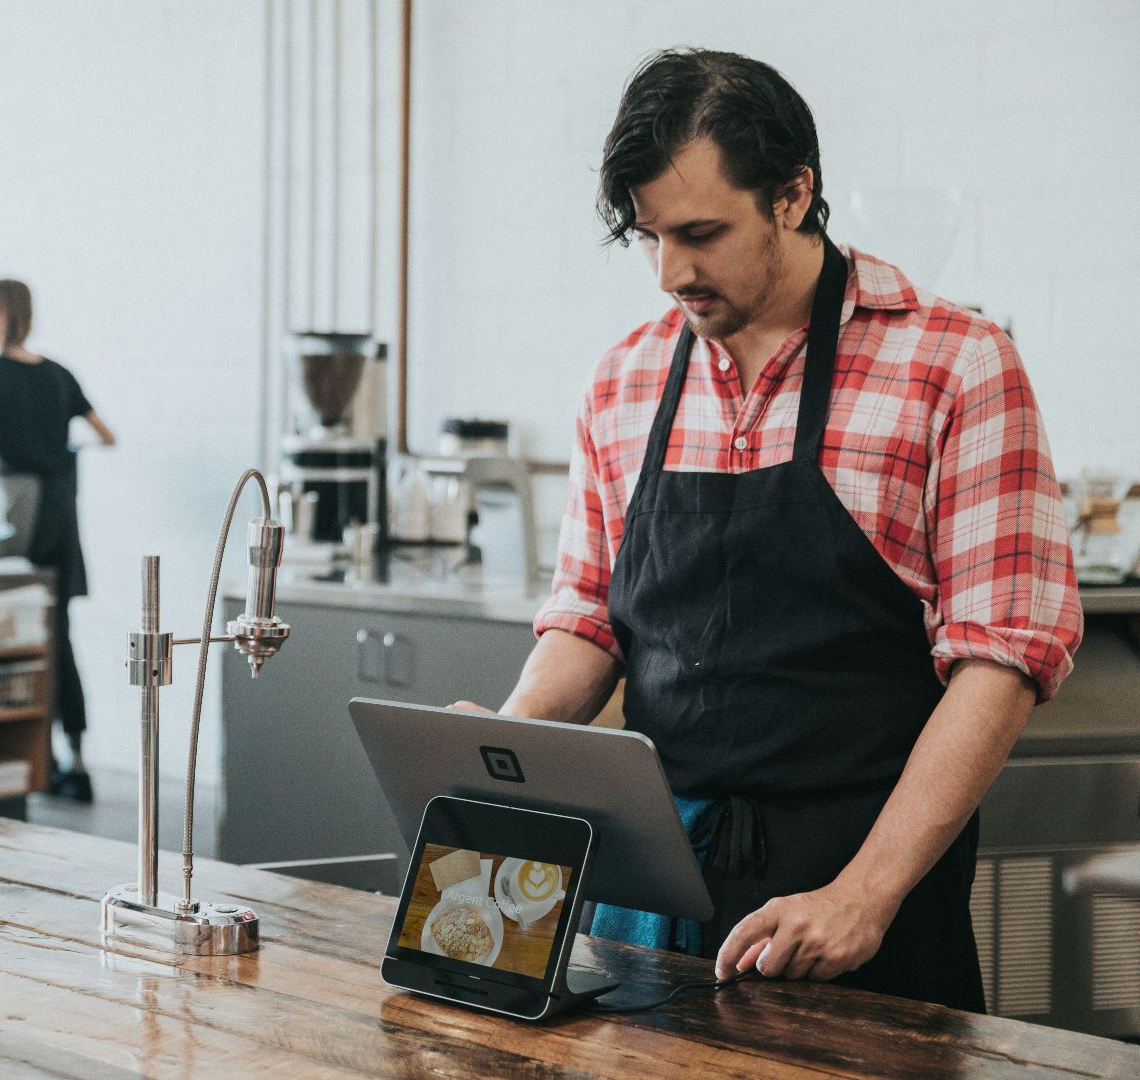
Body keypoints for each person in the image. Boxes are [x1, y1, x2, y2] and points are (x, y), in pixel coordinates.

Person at [457, 49, 1081, 1010]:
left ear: (794, 194)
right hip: (651, 902)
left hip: (860, 902)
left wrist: (862, 896)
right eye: (649, 236)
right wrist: (506, 747)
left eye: (701, 233)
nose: (671, 272)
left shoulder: (956, 367)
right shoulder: (623, 381)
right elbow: (589, 619)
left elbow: (1000, 662)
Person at [0, 279, 116, 801]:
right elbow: (106, 435)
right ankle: (75, 758)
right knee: (57, 636)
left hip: (17, 515)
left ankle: (21, 759)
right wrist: (60, 448)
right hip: (59, 513)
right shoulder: (58, 375)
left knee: (3, 631)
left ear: (0, 313)